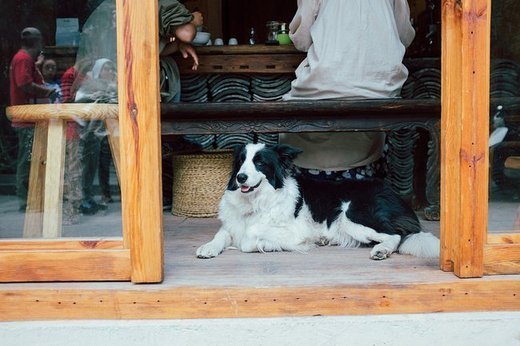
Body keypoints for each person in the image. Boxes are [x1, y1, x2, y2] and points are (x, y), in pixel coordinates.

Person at [280, 0, 415, 181]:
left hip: (326, 83)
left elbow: (302, 40)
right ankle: (360, 177)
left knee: (293, 110)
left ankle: (315, 180)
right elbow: (405, 36)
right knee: (370, 113)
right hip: (380, 87)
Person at [9, 27, 56, 211]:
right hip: (28, 119)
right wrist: (48, 91)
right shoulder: (23, 59)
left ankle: (31, 198)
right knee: (28, 159)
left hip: (31, 118)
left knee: (30, 158)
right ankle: (25, 200)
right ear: (37, 41)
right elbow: (25, 84)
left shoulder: (25, 59)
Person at [76, 58, 118, 215]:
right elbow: (79, 105)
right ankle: (85, 198)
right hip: (92, 133)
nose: (109, 72)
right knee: (89, 167)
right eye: (106, 68)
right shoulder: (89, 86)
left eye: (111, 69)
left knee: (105, 166)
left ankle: (105, 195)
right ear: (98, 70)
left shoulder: (115, 86)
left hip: (110, 133)